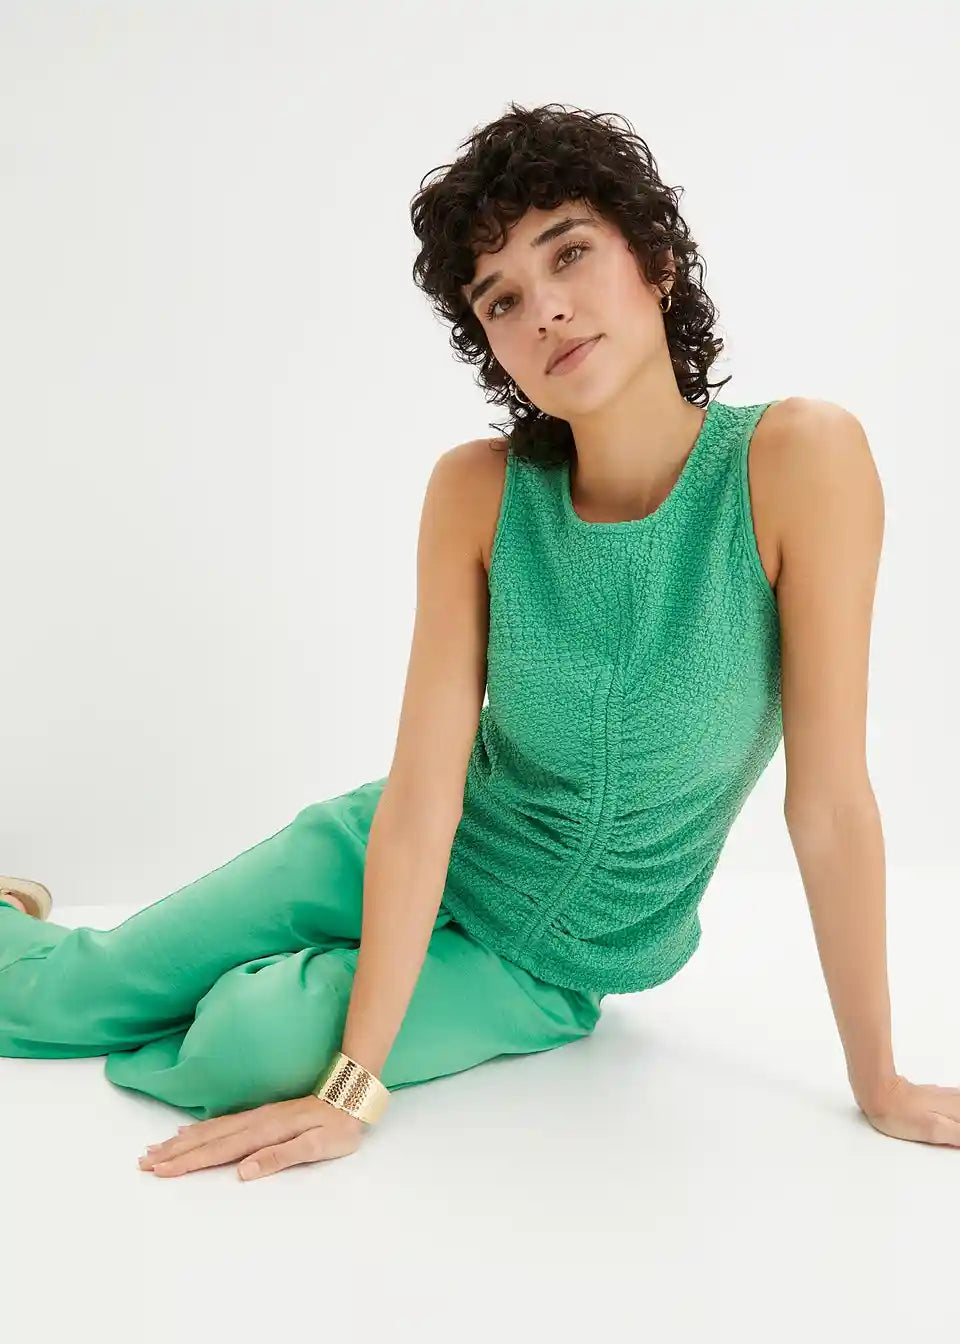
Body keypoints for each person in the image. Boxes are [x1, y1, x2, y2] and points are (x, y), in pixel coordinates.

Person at [3, 101, 958, 1183]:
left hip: (544, 960)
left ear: (657, 263)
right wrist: (358, 1071)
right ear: (491, 345)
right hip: (392, 851)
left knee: (243, 1043)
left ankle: (282, 983)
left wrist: (881, 1083)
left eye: (570, 254)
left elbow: (829, 804)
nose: (544, 309)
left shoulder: (798, 462)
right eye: (502, 298)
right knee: (64, 996)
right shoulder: (478, 492)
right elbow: (423, 795)